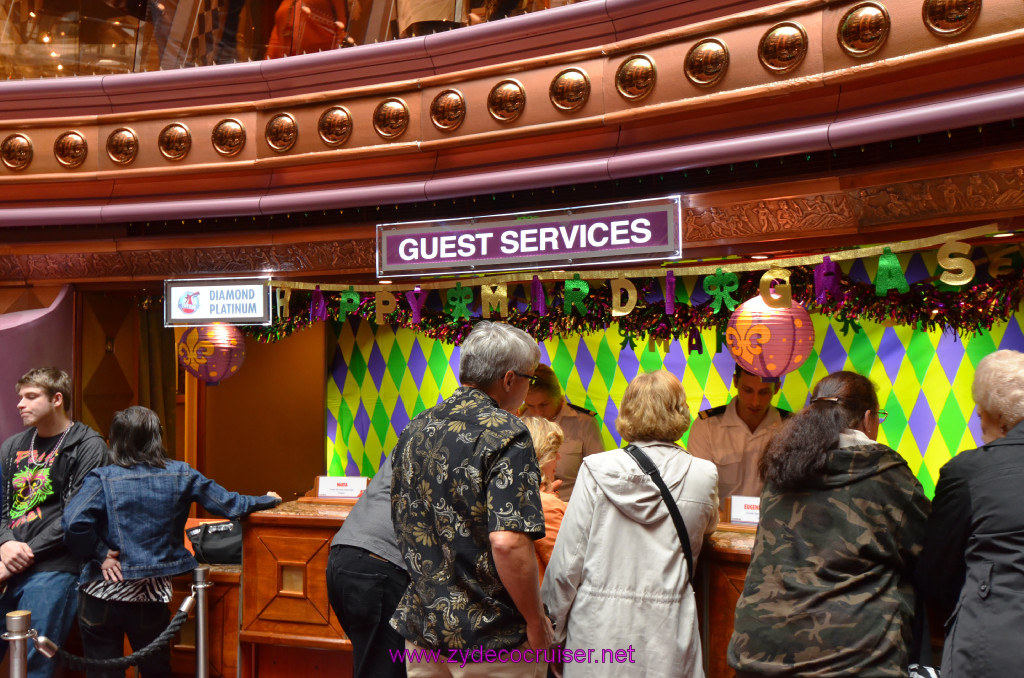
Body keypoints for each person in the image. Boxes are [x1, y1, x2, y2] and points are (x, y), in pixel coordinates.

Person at [728, 371, 930, 677]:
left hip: (757, 654)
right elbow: (929, 551)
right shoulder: (886, 473)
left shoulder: (781, 468)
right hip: (856, 661)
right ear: (867, 419)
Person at [62, 406, 281, 678]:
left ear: (115, 440)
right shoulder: (181, 474)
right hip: (150, 595)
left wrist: (102, 554)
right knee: (156, 670)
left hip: (101, 592)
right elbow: (231, 505)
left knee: (104, 673)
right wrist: (268, 499)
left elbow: (73, 522)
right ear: (157, 437)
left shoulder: (102, 478)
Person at [390, 321, 553, 677]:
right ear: (509, 380)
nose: (527, 390)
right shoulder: (507, 433)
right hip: (491, 638)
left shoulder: (414, 428)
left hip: (423, 629)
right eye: (529, 379)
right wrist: (536, 620)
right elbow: (508, 542)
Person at [541, 370, 719, 678]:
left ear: (626, 412)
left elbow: (568, 562)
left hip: (597, 631)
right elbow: (709, 528)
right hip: (668, 630)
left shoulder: (596, 470)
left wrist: (552, 633)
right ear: (681, 411)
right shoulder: (703, 474)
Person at [919, 349, 1024, 677]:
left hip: (993, 645)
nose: (980, 427)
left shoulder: (968, 472)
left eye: (980, 415)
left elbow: (935, 572)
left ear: (1000, 417)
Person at [0, 367, 109, 678]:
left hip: (55, 565)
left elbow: (75, 516)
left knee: (35, 659)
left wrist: (16, 559)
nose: (20, 404)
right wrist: (5, 543)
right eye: (20, 397)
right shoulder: (12, 446)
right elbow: (2, 508)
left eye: (31, 397)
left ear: (57, 399)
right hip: (8, 557)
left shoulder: (87, 445)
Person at [326, 454, 408, 678]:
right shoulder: (476, 438)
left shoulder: (416, 433)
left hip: (342, 556)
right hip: (380, 566)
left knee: (372, 663)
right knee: (383, 668)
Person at [687, 364, 789, 501]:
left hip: (772, 520)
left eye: (764, 392)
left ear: (776, 388)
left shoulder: (791, 428)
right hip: (720, 520)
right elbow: (697, 488)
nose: (755, 401)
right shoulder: (707, 426)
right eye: (748, 390)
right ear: (735, 381)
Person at [522, 364, 604, 501]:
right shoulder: (521, 420)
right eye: (530, 406)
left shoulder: (584, 423)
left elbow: (599, 473)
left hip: (572, 507)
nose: (538, 412)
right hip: (531, 506)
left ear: (558, 396)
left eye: (544, 404)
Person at [520, 416, 565, 581]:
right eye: (554, 452)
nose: (558, 458)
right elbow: (565, 568)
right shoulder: (546, 505)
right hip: (545, 601)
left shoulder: (507, 493)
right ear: (541, 455)